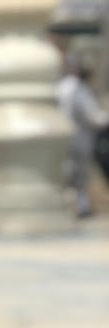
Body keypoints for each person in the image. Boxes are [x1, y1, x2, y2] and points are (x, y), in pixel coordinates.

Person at [57, 60, 108, 219]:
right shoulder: (78, 89)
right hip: (79, 138)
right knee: (78, 176)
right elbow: (92, 116)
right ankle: (79, 207)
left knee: (69, 173)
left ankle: (73, 206)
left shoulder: (61, 87)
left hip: (63, 137)